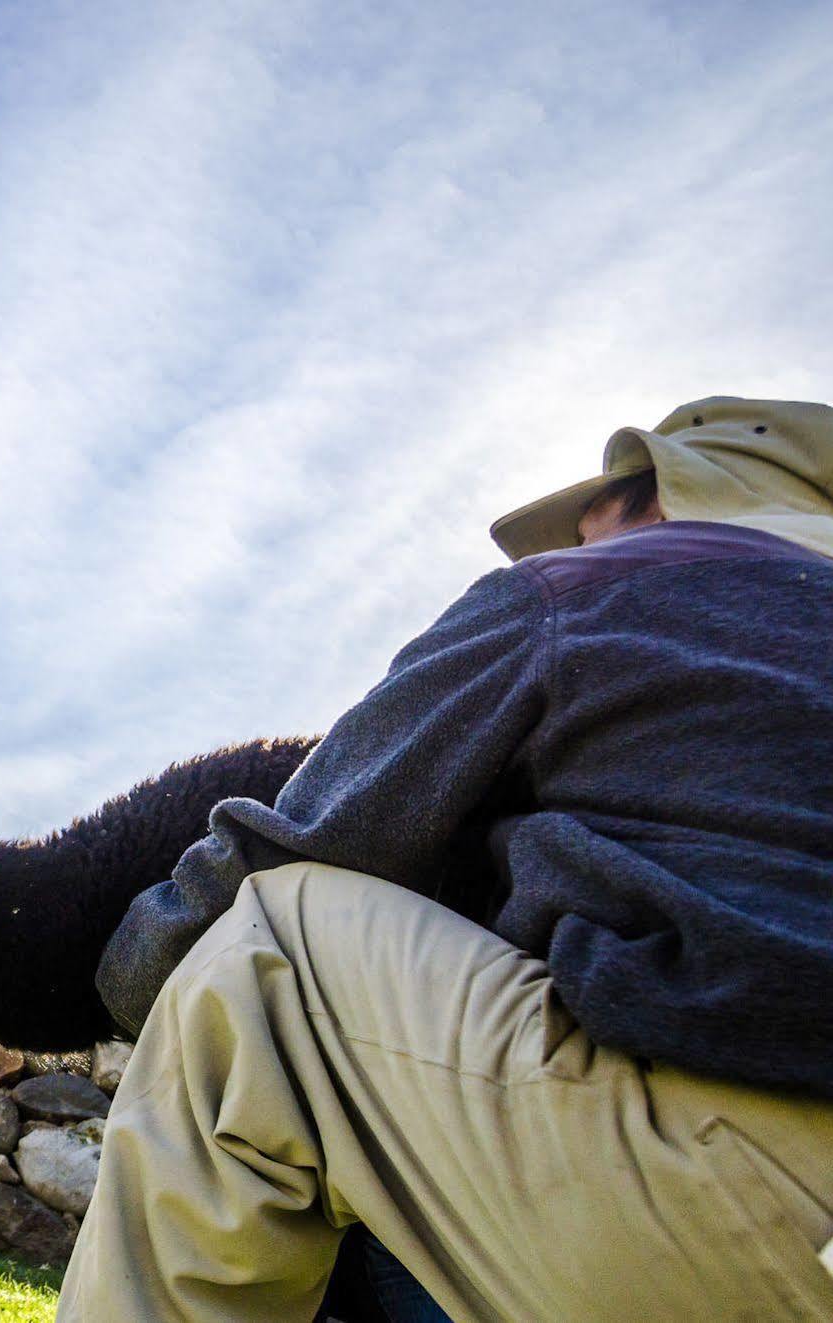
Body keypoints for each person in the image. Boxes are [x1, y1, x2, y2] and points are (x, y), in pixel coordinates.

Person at [72, 397, 833, 1322]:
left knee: (270, 945)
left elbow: (316, 831)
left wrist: (120, 980)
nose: (580, 532)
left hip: (743, 1203)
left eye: (600, 503)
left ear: (665, 496)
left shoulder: (593, 585)